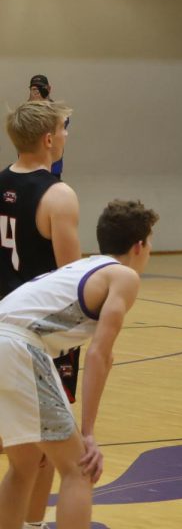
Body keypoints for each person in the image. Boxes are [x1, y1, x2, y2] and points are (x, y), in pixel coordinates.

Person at [0, 199, 157, 529]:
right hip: (16, 345)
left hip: (8, 340)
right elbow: (101, 354)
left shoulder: (82, 267)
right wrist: (88, 434)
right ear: (140, 245)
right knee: (79, 468)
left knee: (25, 463)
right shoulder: (124, 277)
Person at [0, 100, 82, 529]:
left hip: (1, 323)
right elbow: (73, 279)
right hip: (39, 332)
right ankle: (33, 524)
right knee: (51, 446)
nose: (67, 136)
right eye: (64, 130)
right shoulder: (57, 194)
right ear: (49, 140)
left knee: (21, 455)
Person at [26, 75, 66, 178]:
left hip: (52, 166)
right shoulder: (24, 113)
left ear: (48, 89)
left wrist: (44, 104)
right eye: (34, 89)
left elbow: (59, 127)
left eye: (41, 89)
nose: (37, 92)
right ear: (29, 90)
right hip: (30, 166)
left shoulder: (58, 110)